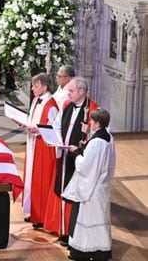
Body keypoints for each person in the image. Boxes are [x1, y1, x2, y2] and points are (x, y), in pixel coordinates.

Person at [44, 77, 99, 245]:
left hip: (80, 159)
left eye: (71, 91)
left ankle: (73, 233)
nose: (68, 94)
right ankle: (63, 229)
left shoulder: (93, 110)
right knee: (63, 190)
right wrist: (58, 141)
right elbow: (57, 125)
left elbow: (98, 136)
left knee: (74, 195)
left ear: (82, 92)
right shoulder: (67, 106)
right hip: (65, 154)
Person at [62, 108, 115, 261]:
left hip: (91, 189)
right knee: (99, 220)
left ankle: (83, 252)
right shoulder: (108, 137)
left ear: (97, 123)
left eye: (91, 121)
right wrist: (85, 146)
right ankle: (100, 252)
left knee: (86, 219)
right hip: (101, 186)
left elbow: (85, 167)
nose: (89, 123)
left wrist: (77, 153)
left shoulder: (97, 142)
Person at [18, 73, 59, 228]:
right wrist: (24, 124)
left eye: (35, 85)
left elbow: (56, 128)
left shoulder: (51, 105)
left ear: (44, 86)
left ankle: (41, 216)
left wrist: (38, 130)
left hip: (43, 148)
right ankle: (34, 212)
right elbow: (32, 118)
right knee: (31, 178)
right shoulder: (36, 100)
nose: (32, 88)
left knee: (41, 180)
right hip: (33, 143)